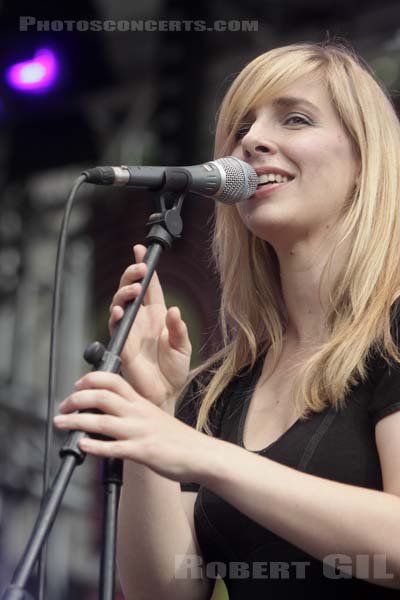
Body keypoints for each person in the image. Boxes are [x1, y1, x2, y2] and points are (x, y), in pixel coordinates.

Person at [54, 41, 400, 599]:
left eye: (294, 118)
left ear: (365, 163)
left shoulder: (393, 334)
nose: (252, 141)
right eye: (242, 126)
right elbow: (166, 592)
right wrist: (153, 409)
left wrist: (206, 457)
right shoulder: (220, 389)